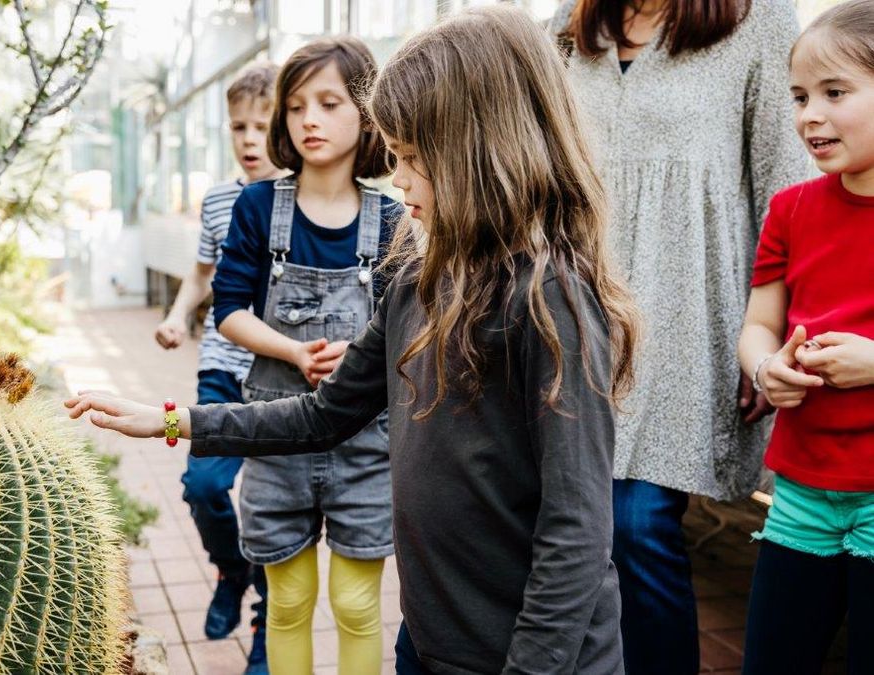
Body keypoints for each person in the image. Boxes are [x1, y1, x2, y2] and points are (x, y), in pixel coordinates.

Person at [67, 7, 640, 673]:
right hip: (428, 643)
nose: (398, 180)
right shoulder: (415, 278)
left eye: (415, 160)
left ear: (482, 151)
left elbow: (576, 532)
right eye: (396, 157)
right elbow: (324, 412)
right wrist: (171, 420)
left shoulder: (551, 300)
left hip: (530, 659)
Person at [549, 1, 810, 671]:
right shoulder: (566, 29)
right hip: (568, 319)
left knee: (634, 525)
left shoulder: (762, 25)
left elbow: (788, 189)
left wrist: (768, 334)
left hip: (688, 320)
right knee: (568, 533)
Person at [210, 36, 403, 673]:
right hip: (276, 437)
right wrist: (294, 351)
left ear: (367, 113)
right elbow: (229, 309)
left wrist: (364, 355)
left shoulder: (394, 220)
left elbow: (407, 328)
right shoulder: (259, 205)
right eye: (296, 107)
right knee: (288, 602)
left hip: (365, 441)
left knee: (354, 604)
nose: (309, 120)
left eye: (329, 103)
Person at [738, 2, 874, 671]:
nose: (808, 116)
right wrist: (766, 369)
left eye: (834, 93)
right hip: (799, 492)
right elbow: (759, 323)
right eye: (798, 97)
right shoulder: (790, 209)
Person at [152, 63, 282, 674]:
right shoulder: (217, 200)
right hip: (220, 371)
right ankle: (231, 570)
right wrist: (180, 316)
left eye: (262, 125)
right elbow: (203, 275)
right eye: (238, 127)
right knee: (202, 484)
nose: (250, 139)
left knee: (271, 507)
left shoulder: (304, 200)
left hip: (284, 384)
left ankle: (264, 628)